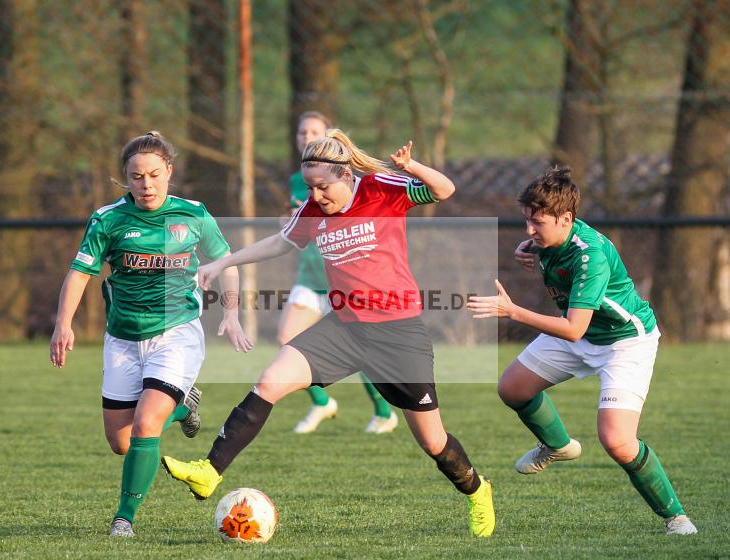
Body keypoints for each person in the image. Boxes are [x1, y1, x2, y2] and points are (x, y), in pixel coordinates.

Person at [161, 129, 495, 537]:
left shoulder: (382, 187)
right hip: (344, 329)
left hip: (397, 333)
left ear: (347, 175)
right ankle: (210, 471)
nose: (316, 196)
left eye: (323, 186)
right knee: (270, 381)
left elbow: (445, 189)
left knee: (432, 441)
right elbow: (278, 244)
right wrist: (222, 264)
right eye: (310, 187)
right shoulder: (313, 212)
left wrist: (411, 168)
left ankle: (478, 491)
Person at [467, 166, 697, 535]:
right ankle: (557, 446)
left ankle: (677, 518)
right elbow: (572, 318)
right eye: (527, 221)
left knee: (617, 442)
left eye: (536, 223)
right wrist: (529, 247)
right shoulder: (550, 237)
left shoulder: (591, 256)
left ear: (566, 219)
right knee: (512, 387)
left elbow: (574, 329)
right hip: (582, 332)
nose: (529, 230)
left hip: (624, 342)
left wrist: (512, 312)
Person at [49, 131, 252, 538]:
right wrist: (62, 323)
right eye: (137, 176)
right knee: (122, 442)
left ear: (169, 172)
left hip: (176, 334)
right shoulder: (108, 219)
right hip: (123, 339)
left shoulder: (193, 214)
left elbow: (226, 261)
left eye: (154, 175)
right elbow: (81, 272)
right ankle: (185, 404)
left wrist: (231, 313)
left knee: (146, 424)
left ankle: (124, 518)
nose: (146, 184)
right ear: (126, 178)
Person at [283, 111, 397, 434]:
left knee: (362, 350)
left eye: (314, 132)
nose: (307, 138)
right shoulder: (297, 180)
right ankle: (321, 402)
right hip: (309, 275)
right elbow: (297, 226)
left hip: (342, 278)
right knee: (286, 337)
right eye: (302, 132)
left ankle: (383, 410)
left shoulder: (350, 184)